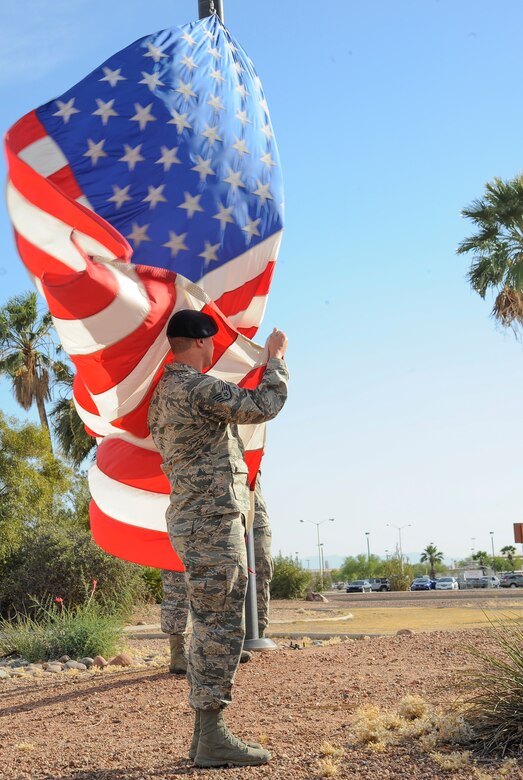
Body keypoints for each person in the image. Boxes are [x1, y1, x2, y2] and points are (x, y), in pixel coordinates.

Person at [148, 310, 288, 768]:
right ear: (203, 342)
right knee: (219, 624)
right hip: (211, 520)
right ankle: (212, 737)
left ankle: (204, 737)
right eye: (214, 342)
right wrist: (276, 360)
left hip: (192, 518)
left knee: (212, 618)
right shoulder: (195, 387)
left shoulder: (162, 395)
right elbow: (263, 405)